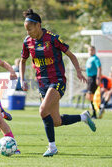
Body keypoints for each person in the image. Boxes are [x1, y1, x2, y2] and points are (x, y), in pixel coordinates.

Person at [20, 9, 96, 157]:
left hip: (57, 81)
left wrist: (79, 72)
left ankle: (52, 147)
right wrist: (22, 80)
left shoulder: (53, 39)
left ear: (38, 25)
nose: (28, 32)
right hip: (42, 83)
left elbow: (71, 55)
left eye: (30, 29)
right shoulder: (27, 42)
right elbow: (23, 61)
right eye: (26, 30)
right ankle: (83, 117)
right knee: (56, 121)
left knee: (42, 111)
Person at [85, 45, 102, 118]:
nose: (90, 51)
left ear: (94, 51)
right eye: (89, 50)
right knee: (89, 96)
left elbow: (99, 68)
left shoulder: (95, 58)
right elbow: (89, 69)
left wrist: (98, 78)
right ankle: (99, 109)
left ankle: (95, 112)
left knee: (90, 95)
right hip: (89, 78)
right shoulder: (90, 59)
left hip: (93, 78)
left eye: (92, 50)